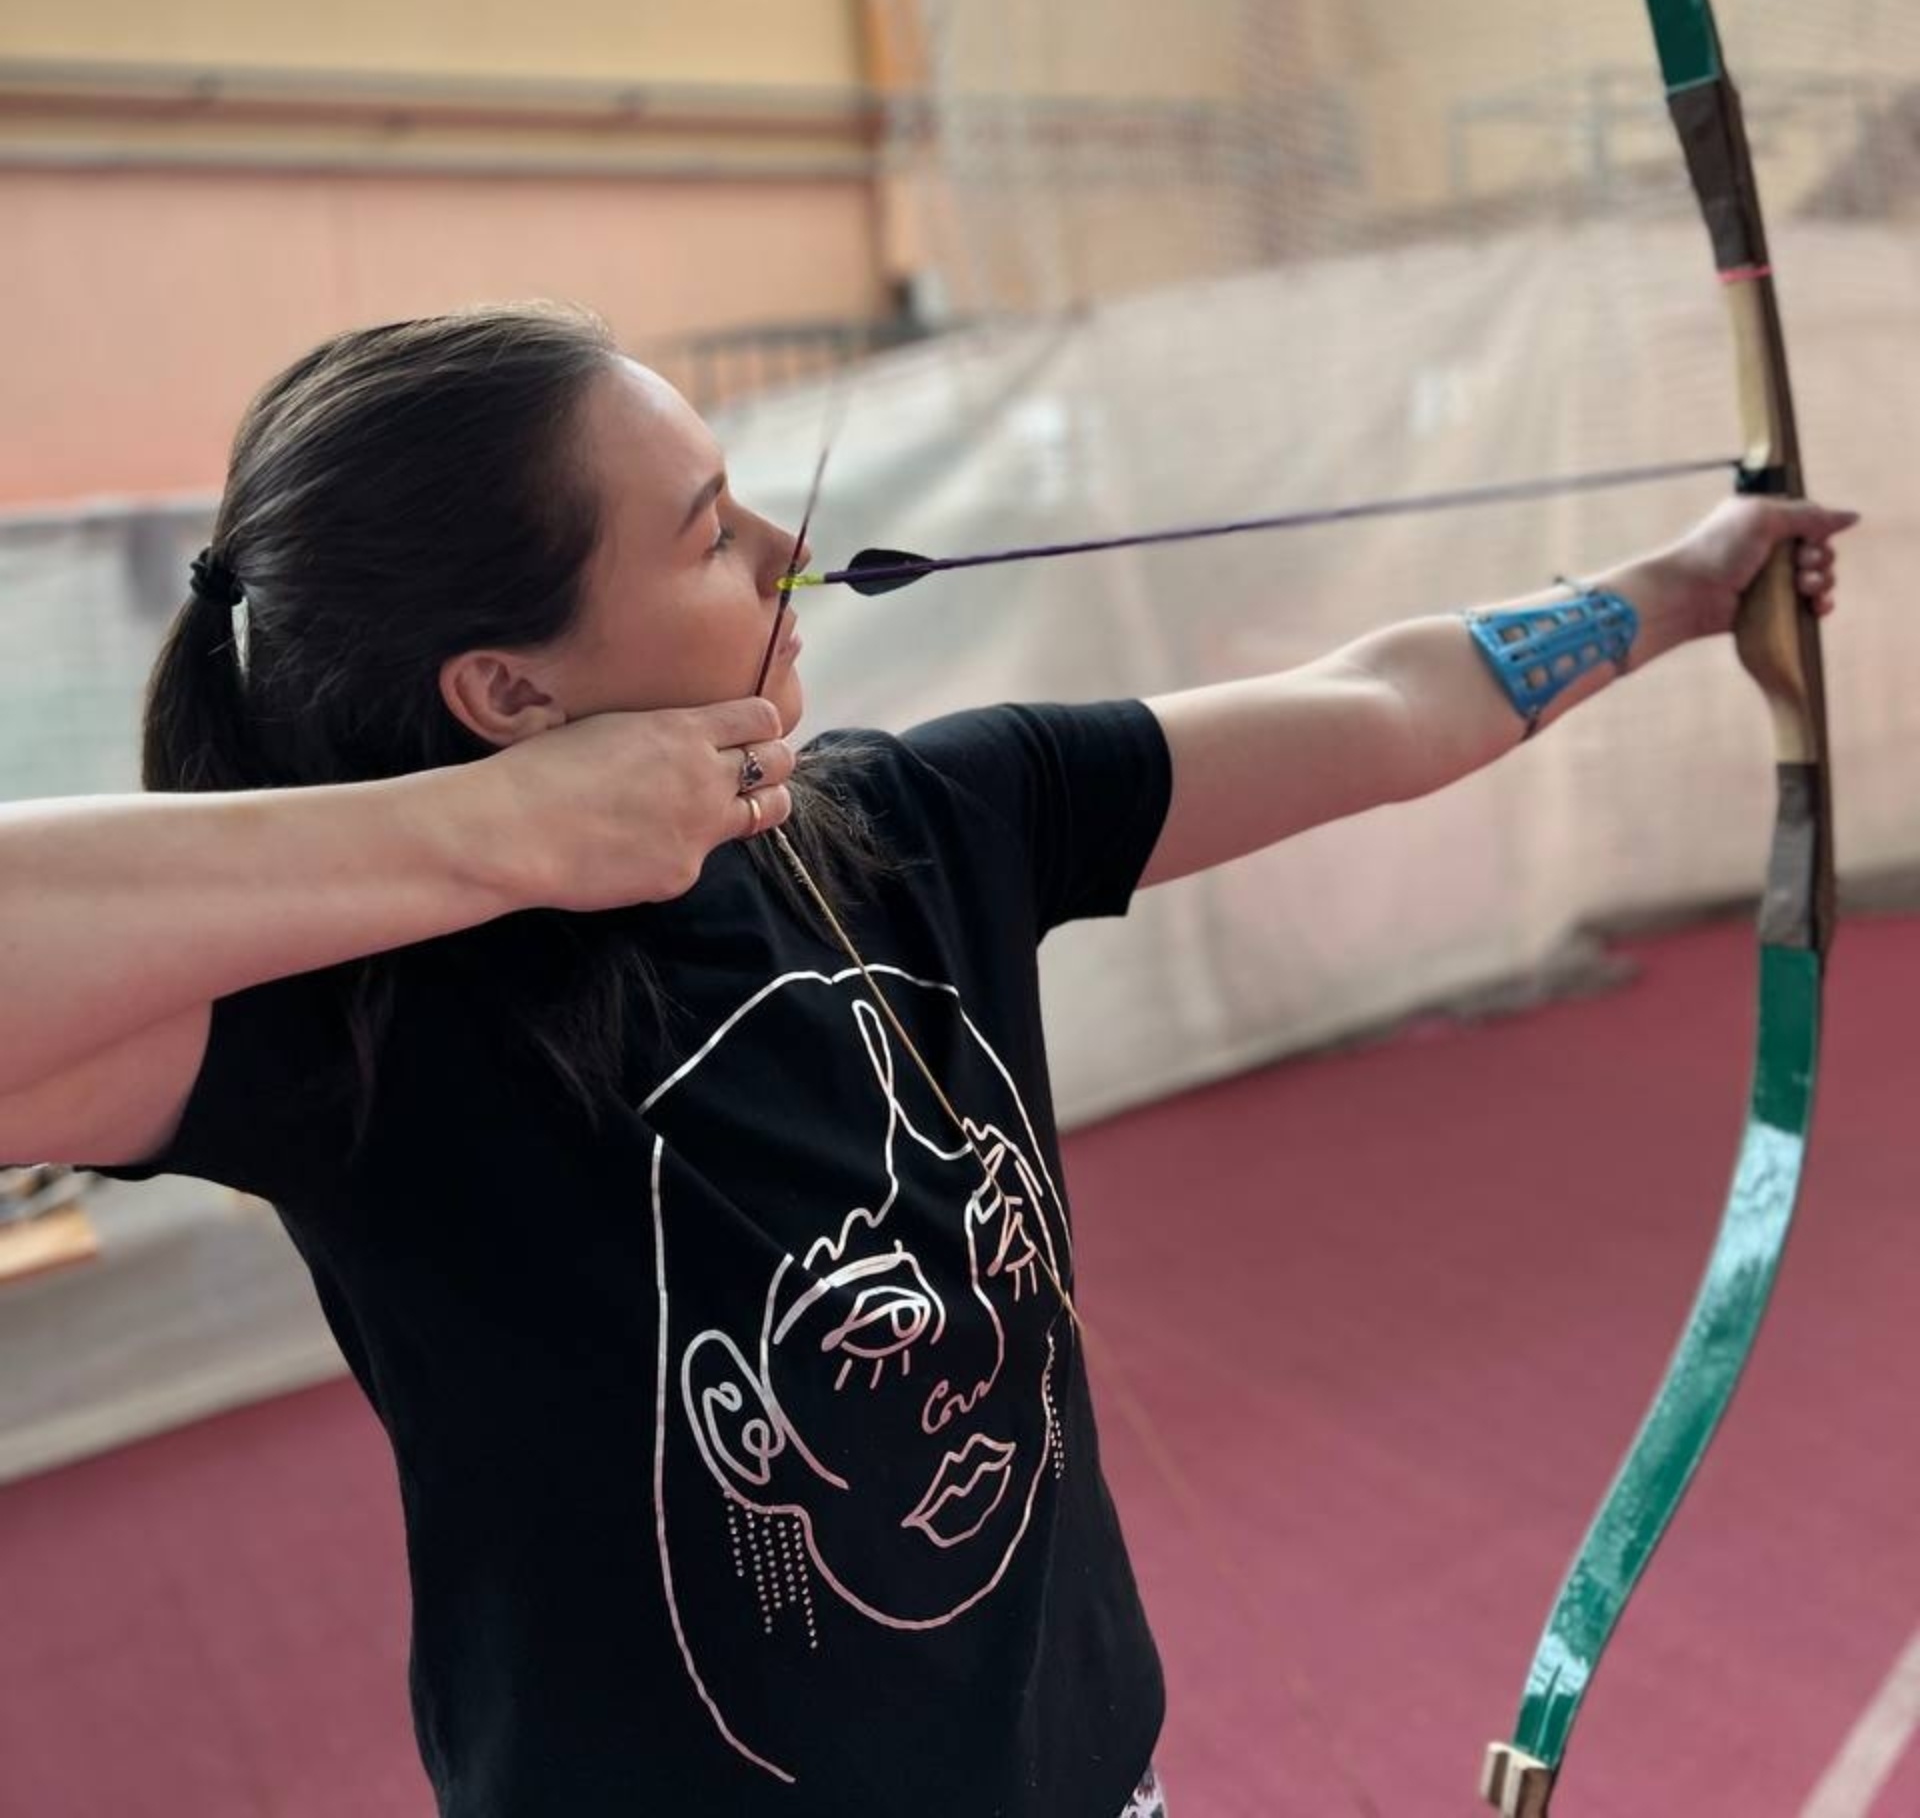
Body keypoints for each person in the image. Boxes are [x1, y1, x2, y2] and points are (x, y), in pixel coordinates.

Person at [0, 302, 1853, 1818]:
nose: (790, 557)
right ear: (511, 690)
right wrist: (490, 842)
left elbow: (1381, 707)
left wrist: (1682, 594)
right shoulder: (371, 1013)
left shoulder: (913, 821)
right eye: (711, 530)